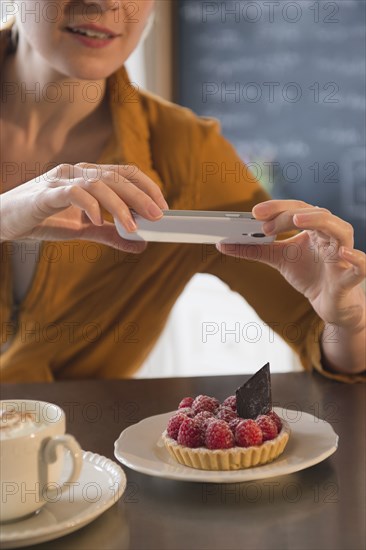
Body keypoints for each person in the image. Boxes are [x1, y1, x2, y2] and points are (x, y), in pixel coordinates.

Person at [0, 0, 365, 383]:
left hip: (72, 442)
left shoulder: (189, 155)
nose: (106, 2)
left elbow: (322, 339)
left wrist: (348, 319)